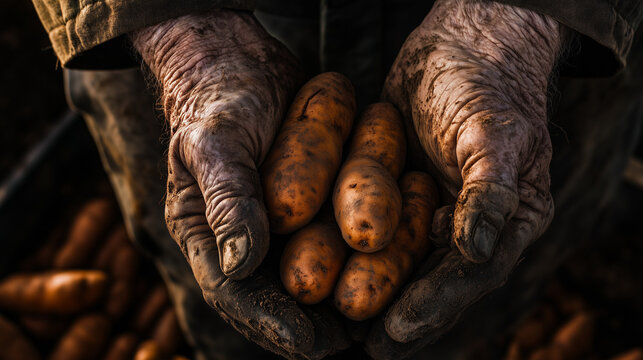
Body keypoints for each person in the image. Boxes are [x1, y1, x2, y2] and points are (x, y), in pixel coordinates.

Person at [32, 0, 643, 359]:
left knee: (476, 291)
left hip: (538, 48)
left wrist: (515, 30)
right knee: (230, 297)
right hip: (193, 23)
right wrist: (184, 45)